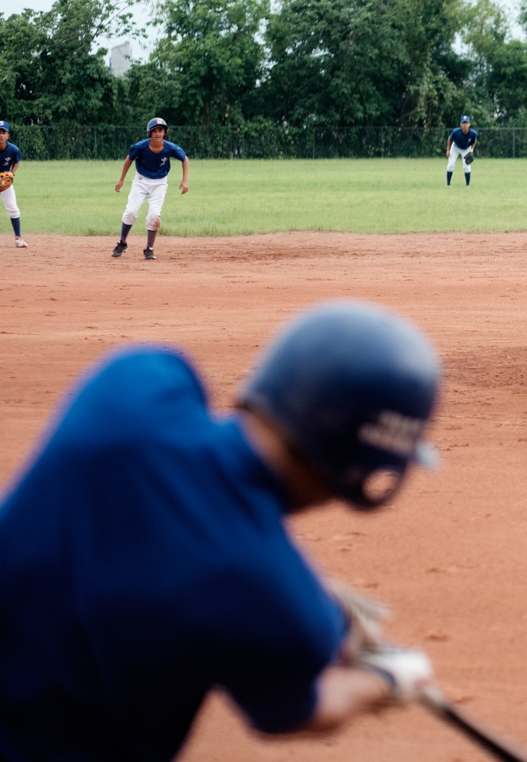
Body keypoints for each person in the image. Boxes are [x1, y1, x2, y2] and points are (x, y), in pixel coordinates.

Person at [0, 301, 442, 760]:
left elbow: (162, 527)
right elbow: (301, 711)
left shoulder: (131, 389)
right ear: (358, 468)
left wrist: (308, 600)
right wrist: (388, 679)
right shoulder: (282, 605)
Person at [112, 117, 189, 260]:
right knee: (131, 212)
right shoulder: (140, 146)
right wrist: (121, 179)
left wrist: (185, 180)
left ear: (165, 133)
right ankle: (122, 243)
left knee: (154, 215)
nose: (158, 133)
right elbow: (129, 159)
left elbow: (185, 158)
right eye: (154, 131)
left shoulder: (170, 147)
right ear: (149, 133)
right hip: (140, 181)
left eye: (161, 130)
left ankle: (149, 248)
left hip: (159, 183)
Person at [0, 121, 26, 248]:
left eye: (3, 132)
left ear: (7, 135)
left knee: (13, 209)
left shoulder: (13, 150)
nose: (0, 135)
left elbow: (16, 161)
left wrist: (11, 173)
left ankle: (18, 238)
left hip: (4, 183)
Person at [446, 115, 478, 186]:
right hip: (455, 147)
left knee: (466, 166)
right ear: (460, 124)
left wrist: (471, 149)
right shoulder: (456, 131)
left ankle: (467, 185)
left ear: (469, 124)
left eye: (466, 123)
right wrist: (448, 150)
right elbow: (449, 139)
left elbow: (474, 141)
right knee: (451, 165)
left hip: (466, 149)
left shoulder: (473, 133)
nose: (465, 125)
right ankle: (448, 184)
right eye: (463, 123)